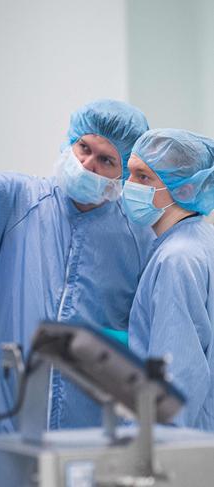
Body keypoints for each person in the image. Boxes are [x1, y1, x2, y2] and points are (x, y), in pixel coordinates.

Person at [0, 93, 154, 433]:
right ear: (70, 143)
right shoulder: (20, 202)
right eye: (84, 148)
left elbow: (149, 323)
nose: (88, 164)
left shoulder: (137, 237)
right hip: (11, 402)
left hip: (92, 411)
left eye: (106, 160)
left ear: (123, 173)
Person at [123, 128, 214, 430]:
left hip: (183, 445)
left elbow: (176, 376)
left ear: (185, 189)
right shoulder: (201, 239)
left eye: (144, 177)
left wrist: (157, 451)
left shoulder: (177, 258)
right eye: (130, 174)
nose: (129, 186)